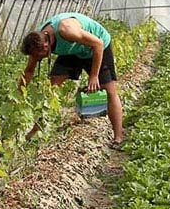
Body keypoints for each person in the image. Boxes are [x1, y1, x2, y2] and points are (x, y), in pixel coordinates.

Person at [19, 13, 124, 146]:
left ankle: (118, 137)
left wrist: (93, 76)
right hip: (73, 50)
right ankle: (36, 131)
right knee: (53, 88)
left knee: (109, 91)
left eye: (39, 56)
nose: (38, 58)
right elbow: (29, 70)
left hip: (97, 47)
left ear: (46, 46)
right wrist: (19, 92)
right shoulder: (37, 42)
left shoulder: (66, 30)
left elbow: (98, 44)